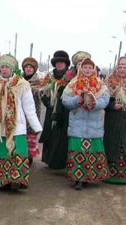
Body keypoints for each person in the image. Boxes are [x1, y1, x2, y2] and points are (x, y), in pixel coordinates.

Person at [0, 54, 42, 190]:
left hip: (17, 127)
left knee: (17, 153)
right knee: (0, 153)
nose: (4, 69)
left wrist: (36, 126)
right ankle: (1, 181)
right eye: (2, 67)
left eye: (7, 67)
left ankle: (16, 180)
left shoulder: (23, 85)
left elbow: (29, 108)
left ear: (13, 68)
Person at [62, 57, 110, 190]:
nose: (87, 70)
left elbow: (105, 101)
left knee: (92, 151)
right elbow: (65, 101)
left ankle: (90, 177)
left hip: (94, 125)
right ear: (80, 68)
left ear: (93, 69)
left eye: (90, 67)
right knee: (78, 151)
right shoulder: (73, 84)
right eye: (85, 67)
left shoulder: (100, 85)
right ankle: (78, 179)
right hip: (77, 125)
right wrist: (77, 99)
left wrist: (93, 103)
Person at [39, 50, 70, 169]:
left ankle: (60, 161)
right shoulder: (49, 77)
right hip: (51, 109)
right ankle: (49, 159)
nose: (59, 64)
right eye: (57, 62)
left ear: (66, 64)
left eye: (61, 62)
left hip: (64, 110)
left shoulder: (70, 77)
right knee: (49, 132)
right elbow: (42, 91)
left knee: (61, 134)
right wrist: (48, 102)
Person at [103, 56, 126, 184]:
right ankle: (110, 174)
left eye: (125, 67)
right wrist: (112, 106)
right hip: (113, 119)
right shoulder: (109, 82)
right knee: (112, 143)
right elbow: (104, 102)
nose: (122, 69)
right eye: (120, 66)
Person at [21, 57, 41, 165]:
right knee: (21, 133)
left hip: (33, 110)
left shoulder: (38, 82)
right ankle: (22, 154)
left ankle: (29, 156)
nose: (28, 69)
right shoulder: (19, 80)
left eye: (31, 67)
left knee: (31, 133)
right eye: (26, 67)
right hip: (21, 111)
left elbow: (42, 95)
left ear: (34, 69)